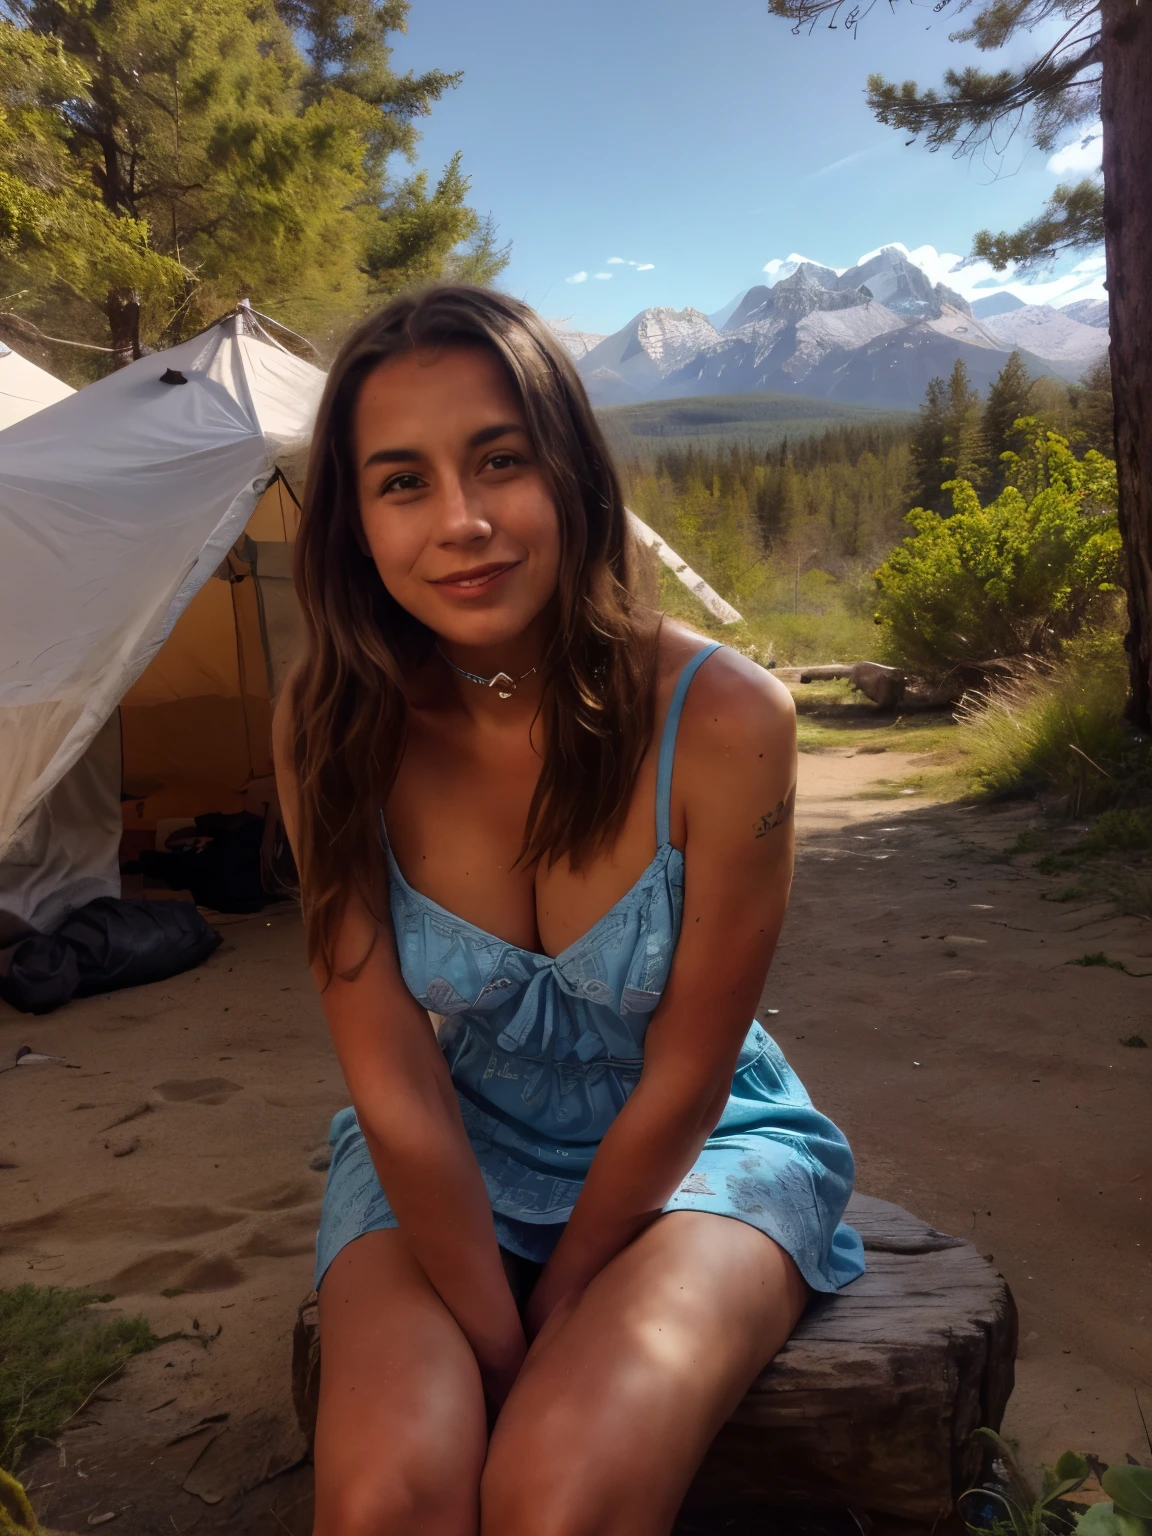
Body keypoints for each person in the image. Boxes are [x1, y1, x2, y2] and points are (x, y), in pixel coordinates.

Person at [272, 285, 864, 1536]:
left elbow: (691, 1071)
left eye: (501, 460)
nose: (464, 523)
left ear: (574, 474)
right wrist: (494, 1329)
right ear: (353, 524)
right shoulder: (330, 731)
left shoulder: (726, 720)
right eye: (402, 483)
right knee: (389, 1497)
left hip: (703, 1152)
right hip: (451, 1149)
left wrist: (563, 1314)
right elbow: (392, 1079)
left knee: (561, 1494)